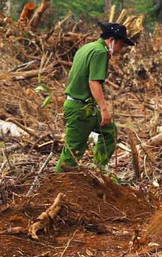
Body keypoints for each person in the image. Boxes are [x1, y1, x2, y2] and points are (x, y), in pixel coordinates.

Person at [57, 21, 135, 170]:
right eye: (121, 44)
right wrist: (104, 109)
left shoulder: (86, 48)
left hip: (84, 107)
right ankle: (57, 185)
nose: (120, 49)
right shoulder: (100, 52)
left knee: (109, 132)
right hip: (80, 109)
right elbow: (94, 82)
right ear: (112, 40)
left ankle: (98, 171)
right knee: (72, 153)